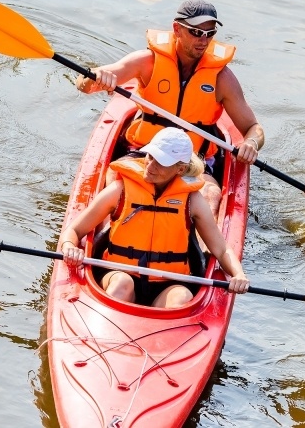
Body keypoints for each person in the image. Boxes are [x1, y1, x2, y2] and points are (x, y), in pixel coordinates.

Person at [76, 0, 264, 219]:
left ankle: (206, 251)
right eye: (196, 32)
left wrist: (251, 143)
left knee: (211, 195)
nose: (203, 40)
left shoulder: (222, 79)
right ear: (177, 28)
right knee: (118, 180)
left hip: (192, 161)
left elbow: (253, 127)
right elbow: (84, 84)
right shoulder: (148, 62)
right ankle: (106, 235)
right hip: (145, 153)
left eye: (209, 33)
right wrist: (96, 78)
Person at [59, 128, 250, 309]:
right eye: (150, 156)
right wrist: (69, 246)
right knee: (121, 285)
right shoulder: (119, 190)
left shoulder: (193, 200)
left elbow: (221, 248)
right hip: (119, 273)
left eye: (161, 162)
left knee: (182, 297)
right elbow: (74, 231)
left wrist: (238, 274)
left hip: (168, 283)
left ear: (180, 169)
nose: (150, 166)